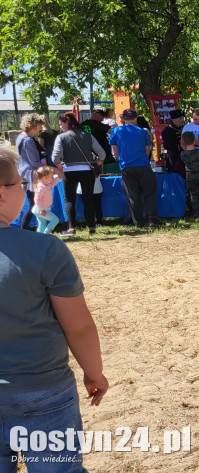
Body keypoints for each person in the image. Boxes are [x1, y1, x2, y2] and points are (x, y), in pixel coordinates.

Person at [0, 146, 108, 469]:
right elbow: (79, 327)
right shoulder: (46, 250)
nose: (26, 188)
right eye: (20, 184)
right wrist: (94, 373)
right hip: (42, 392)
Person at [52, 112, 105, 236]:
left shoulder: (61, 137)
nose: (60, 127)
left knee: (69, 199)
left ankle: (71, 228)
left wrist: (60, 168)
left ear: (67, 123)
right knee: (88, 198)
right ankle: (91, 226)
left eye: (61, 124)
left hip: (69, 171)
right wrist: (97, 163)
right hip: (87, 170)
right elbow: (102, 154)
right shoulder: (88, 135)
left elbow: (55, 158)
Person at [110, 109, 159, 227]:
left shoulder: (116, 131)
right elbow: (147, 150)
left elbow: (114, 151)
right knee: (150, 194)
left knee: (132, 196)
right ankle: (153, 220)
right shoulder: (142, 132)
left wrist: (121, 160)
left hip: (126, 166)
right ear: (135, 118)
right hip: (143, 165)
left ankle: (138, 223)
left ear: (123, 118)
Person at [15, 113, 47, 229]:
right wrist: (49, 170)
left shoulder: (20, 137)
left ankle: (34, 227)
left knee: (32, 202)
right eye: (38, 126)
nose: (40, 129)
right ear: (32, 125)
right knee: (34, 204)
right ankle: (25, 228)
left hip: (23, 173)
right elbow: (34, 162)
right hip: (31, 175)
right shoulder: (28, 140)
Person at [181, 132, 199, 218]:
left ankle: (197, 214)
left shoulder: (183, 154)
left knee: (193, 195)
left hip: (191, 177)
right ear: (194, 141)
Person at [31, 166, 62, 234]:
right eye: (51, 176)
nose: (53, 177)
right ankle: (46, 234)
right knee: (55, 220)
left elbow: (53, 184)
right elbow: (37, 199)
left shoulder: (46, 185)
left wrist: (58, 177)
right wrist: (42, 209)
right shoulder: (41, 188)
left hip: (41, 209)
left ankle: (39, 238)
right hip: (41, 210)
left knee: (42, 224)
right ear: (45, 177)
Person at [161, 109, 187, 179]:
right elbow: (169, 146)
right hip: (174, 159)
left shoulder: (185, 128)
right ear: (173, 119)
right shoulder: (167, 131)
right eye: (180, 118)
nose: (182, 120)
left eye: (182, 118)